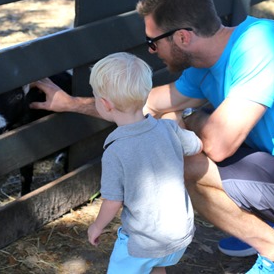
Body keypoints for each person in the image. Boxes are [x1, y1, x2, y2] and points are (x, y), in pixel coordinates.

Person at [31, 0, 274, 274]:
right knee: (176, 143)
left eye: (152, 42)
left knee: (183, 161)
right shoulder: (204, 67)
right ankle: (271, 222)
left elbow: (217, 145)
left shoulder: (262, 45)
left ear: (182, 37)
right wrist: (69, 103)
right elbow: (137, 107)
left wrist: (190, 119)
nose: (151, 51)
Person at [86, 52, 203, 274]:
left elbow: (112, 201)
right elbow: (196, 145)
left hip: (144, 242)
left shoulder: (115, 150)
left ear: (105, 104)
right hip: (178, 234)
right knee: (156, 267)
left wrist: (96, 226)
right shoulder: (168, 128)